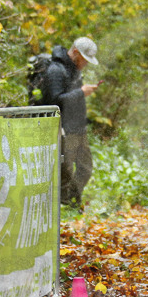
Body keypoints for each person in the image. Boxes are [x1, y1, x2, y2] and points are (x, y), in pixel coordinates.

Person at [45, 36, 99, 209]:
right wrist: (82, 93)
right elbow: (55, 102)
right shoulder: (55, 70)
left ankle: (72, 201)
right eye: (85, 59)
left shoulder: (73, 71)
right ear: (75, 52)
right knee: (65, 172)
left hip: (78, 128)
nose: (86, 64)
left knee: (86, 168)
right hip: (64, 130)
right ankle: (66, 205)